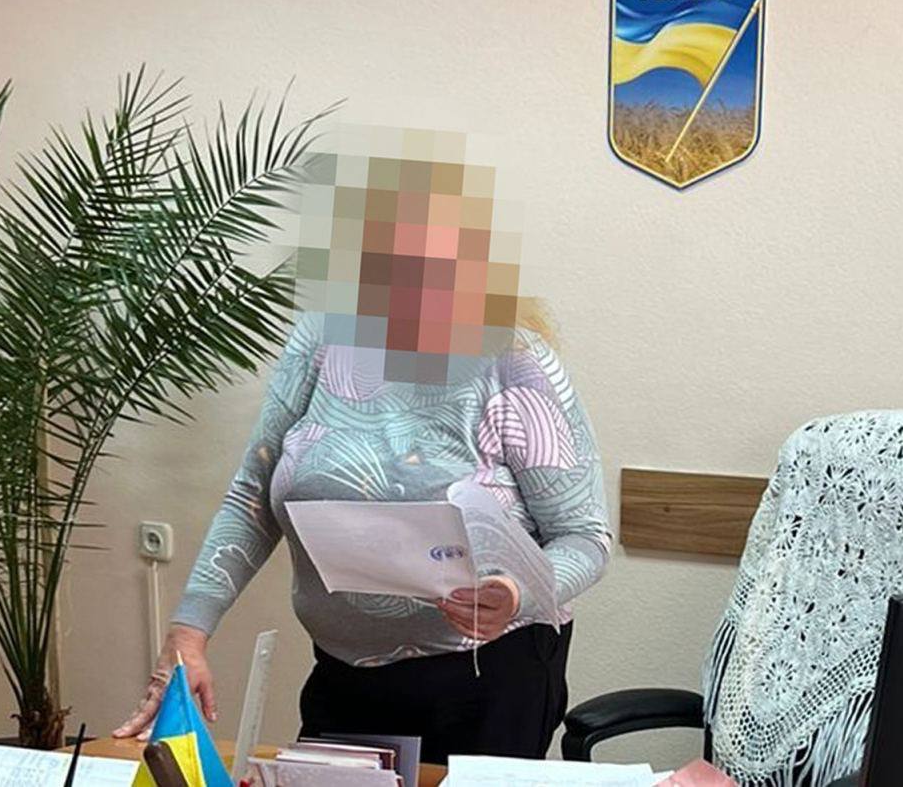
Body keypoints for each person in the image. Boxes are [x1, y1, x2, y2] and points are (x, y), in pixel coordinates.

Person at [115, 148, 611, 764]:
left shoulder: (513, 360)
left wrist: (516, 591)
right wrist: (188, 634)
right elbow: (252, 497)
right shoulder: (322, 339)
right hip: (343, 673)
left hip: (489, 677)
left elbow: (584, 538)